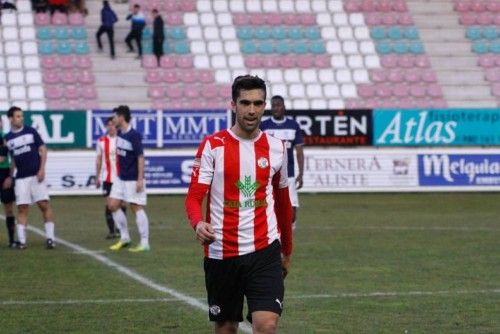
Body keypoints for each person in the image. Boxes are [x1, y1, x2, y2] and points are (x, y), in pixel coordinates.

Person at [185, 75, 293, 334]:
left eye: (258, 103)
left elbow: (283, 203)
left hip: (265, 250)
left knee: (266, 325)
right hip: (222, 252)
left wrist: (287, 250)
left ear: (264, 105)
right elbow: (193, 196)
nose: (252, 110)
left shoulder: (277, 148)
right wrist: (197, 223)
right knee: (226, 328)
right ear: (233, 105)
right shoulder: (213, 146)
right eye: (245, 103)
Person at [4, 106, 56, 250]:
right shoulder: (7, 139)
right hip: (21, 178)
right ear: (11, 119)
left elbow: (43, 150)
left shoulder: (31, 132)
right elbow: (12, 159)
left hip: (35, 175)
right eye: (18, 116)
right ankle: (22, 242)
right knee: (22, 208)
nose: (21, 118)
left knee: (43, 205)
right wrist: (10, 176)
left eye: (21, 116)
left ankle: (50, 238)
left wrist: (42, 169)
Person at [108, 105, 150, 252]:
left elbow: (140, 157)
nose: (113, 120)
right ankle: (125, 238)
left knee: (136, 207)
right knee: (112, 205)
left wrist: (140, 179)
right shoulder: (119, 134)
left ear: (121, 117)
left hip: (133, 178)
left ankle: (144, 242)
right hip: (121, 178)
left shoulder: (134, 135)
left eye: (114, 117)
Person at [260, 95, 304, 231]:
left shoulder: (293, 125)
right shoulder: (264, 126)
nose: (276, 108)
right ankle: (276, 238)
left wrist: (301, 174)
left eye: (278, 105)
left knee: (292, 211)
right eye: (273, 105)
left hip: (289, 175)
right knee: (269, 209)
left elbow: (299, 151)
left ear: (284, 107)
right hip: (270, 175)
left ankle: (288, 233)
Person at [95, 116, 124, 239]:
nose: (111, 127)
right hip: (107, 178)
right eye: (109, 125)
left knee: (121, 205)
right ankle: (112, 231)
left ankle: (121, 228)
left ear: (116, 126)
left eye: (113, 124)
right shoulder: (101, 141)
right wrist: (97, 177)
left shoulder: (122, 140)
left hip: (120, 178)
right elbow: (98, 159)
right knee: (109, 205)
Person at [0, 117, 18, 248]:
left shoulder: (6, 138)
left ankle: (12, 240)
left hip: (4, 174)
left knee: (8, 208)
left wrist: (10, 177)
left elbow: (13, 159)